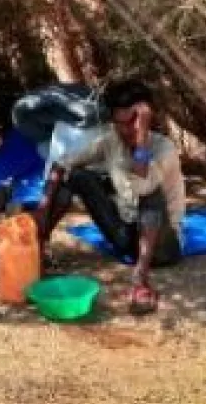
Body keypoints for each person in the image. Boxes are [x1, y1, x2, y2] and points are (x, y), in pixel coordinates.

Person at [32, 79, 184, 315]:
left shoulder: (164, 150)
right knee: (77, 176)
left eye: (132, 122)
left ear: (146, 119)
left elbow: (143, 187)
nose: (126, 131)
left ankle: (140, 277)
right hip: (126, 237)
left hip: (162, 248)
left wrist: (142, 136)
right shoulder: (112, 140)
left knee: (149, 192)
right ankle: (36, 249)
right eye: (119, 124)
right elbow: (62, 163)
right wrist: (43, 207)